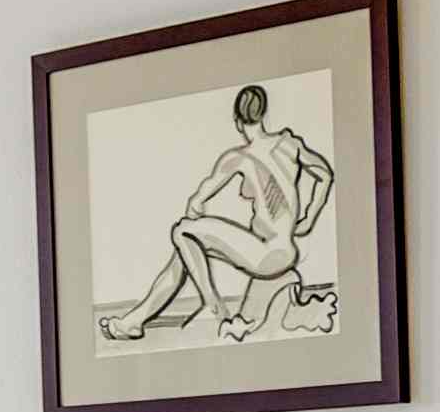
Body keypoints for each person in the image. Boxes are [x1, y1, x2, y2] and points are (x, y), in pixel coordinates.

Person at [101, 82, 335, 342]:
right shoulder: (289, 144)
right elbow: (325, 174)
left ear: (237, 120)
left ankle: (217, 309)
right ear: (263, 114)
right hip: (283, 250)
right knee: (185, 254)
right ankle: (133, 322)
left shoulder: (238, 158)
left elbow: (199, 197)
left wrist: (197, 205)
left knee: (182, 231)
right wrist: (308, 219)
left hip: (264, 256)